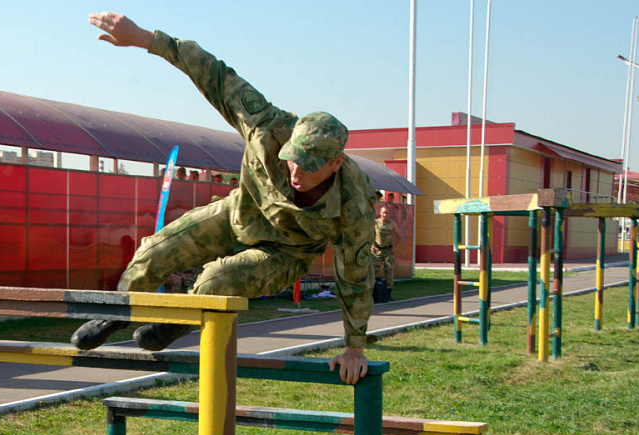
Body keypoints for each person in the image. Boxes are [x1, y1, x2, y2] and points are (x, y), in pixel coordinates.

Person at [73, 12, 376, 384]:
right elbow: (213, 73)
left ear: (336, 163)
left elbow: (355, 275)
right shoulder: (265, 123)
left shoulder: (354, 205)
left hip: (285, 252)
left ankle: (173, 325)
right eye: (292, 160)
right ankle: (119, 310)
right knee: (157, 248)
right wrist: (145, 39)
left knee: (217, 279)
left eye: (308, 167)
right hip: (240, 213)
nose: (295, 173)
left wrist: (354, 347)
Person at [371, 193, 401, 303]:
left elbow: (399, 236)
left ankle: (388, 294)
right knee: (373, 271)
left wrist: (394, 247)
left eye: (387, 213)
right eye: (383, 213)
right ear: (380, 213)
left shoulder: (392, 223)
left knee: (389, 272)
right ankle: (372, 294)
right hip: (377, 250)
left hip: (388, 250)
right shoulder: (375, 223)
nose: (385, 215)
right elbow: (370, 235)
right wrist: (372, 245)